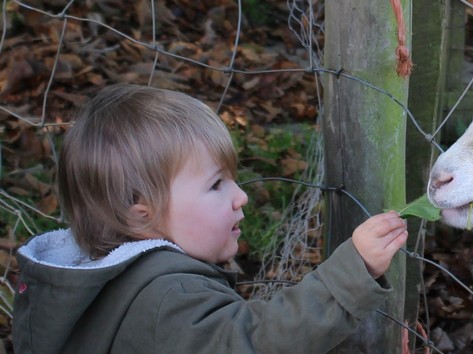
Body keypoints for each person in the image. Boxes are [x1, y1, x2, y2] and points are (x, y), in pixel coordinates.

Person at [12, 84, 409, 354]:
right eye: (217, 184)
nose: (241, 196)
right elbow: (257, 342)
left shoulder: (85, 280)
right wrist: (351, 273)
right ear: (140, 207)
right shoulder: (170, 298)